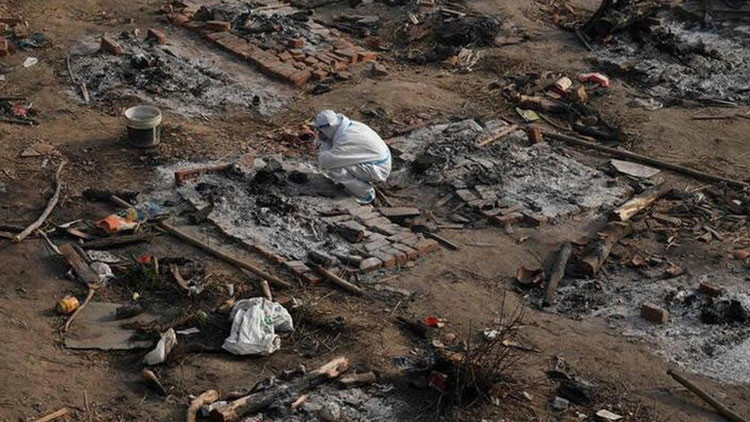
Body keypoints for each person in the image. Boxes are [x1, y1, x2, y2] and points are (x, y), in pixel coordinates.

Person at [312, 110, 391, 204]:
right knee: (338, 162)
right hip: (379, 160)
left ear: (328, 127)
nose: (320, 133)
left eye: (321, 131)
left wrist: (324, 143)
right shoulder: (348, 126)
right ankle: (359, 184)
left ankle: (365, 194)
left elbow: (325, 162)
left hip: (379, 169)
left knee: (335, 168)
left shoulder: (346, 139)